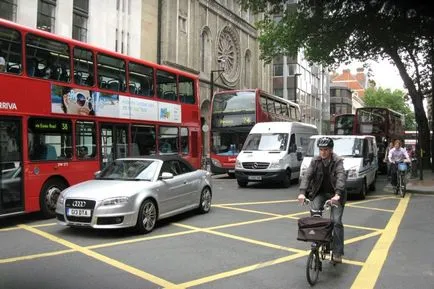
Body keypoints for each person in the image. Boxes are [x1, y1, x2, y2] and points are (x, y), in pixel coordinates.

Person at [298, 137, 347, 263]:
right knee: (315, 215)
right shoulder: (315, 161)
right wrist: (302, 193)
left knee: (336, 221)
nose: (323, 152)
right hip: (320, 193)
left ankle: (337, 252)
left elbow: (341, 177)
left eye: (325, 150)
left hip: (336, 195)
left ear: (331, 150)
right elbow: (307, 176)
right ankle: (319, 240)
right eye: (321, 150)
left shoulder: (338, 161)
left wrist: (337, 194)